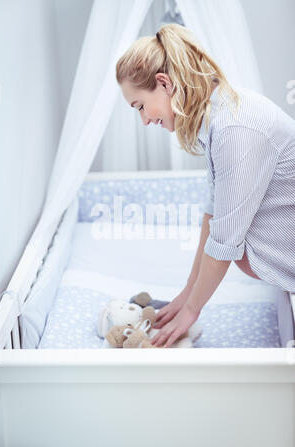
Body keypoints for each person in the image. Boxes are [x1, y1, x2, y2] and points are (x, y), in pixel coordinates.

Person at [116, 23, 295, 348]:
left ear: (164, 83)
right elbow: (213, 213)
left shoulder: (235, 127)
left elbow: (224, 242)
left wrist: (191, 312)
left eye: (140, 106)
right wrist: (186, 294)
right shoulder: (214, 119)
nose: (143, 121)